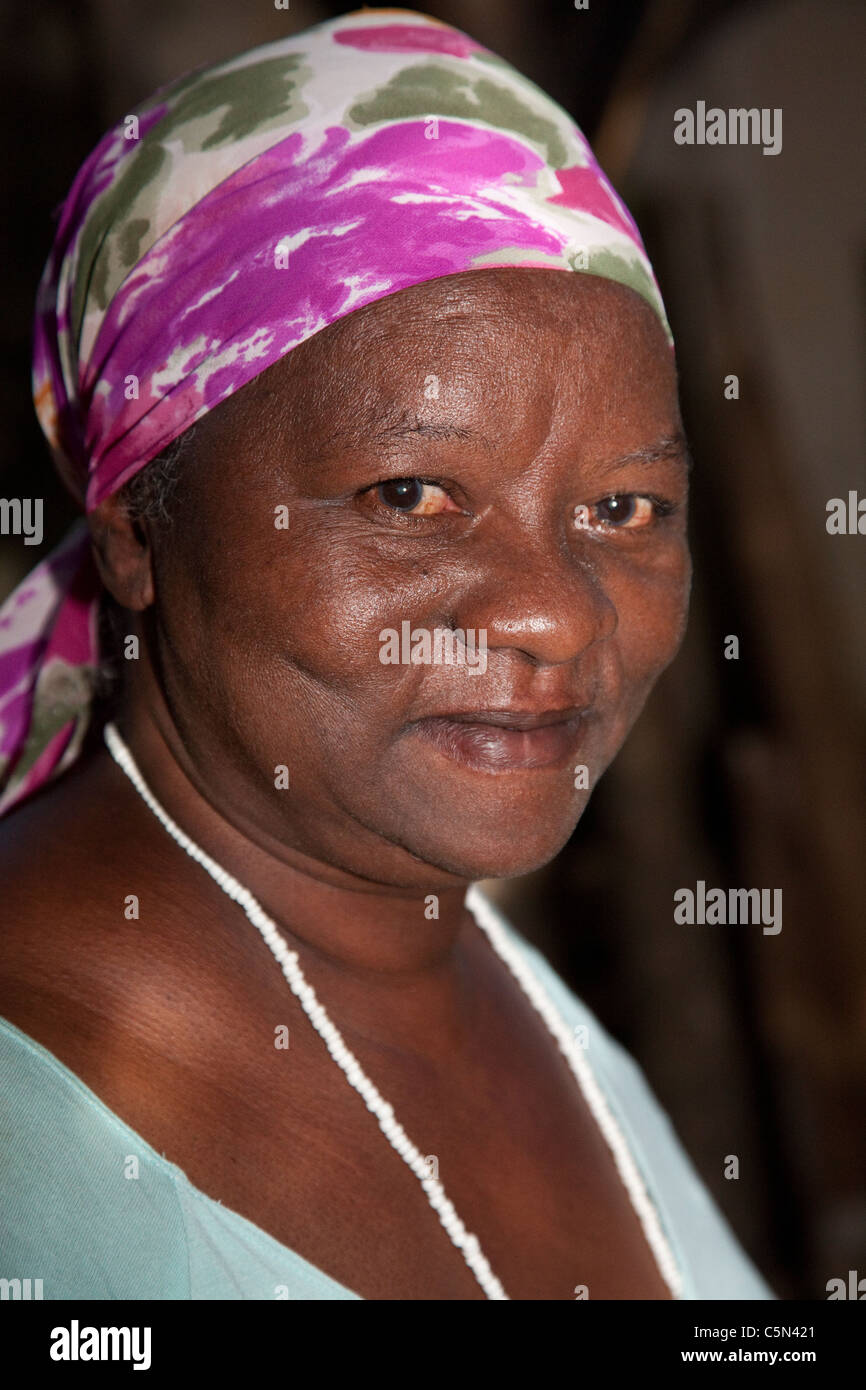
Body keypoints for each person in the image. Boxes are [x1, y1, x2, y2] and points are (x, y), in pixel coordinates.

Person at [0, 8, 775, 1300]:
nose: (557, 616)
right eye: (410, 495)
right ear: (139, 530)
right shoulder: (45, 1156)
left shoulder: (448, 949)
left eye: (623, 508)